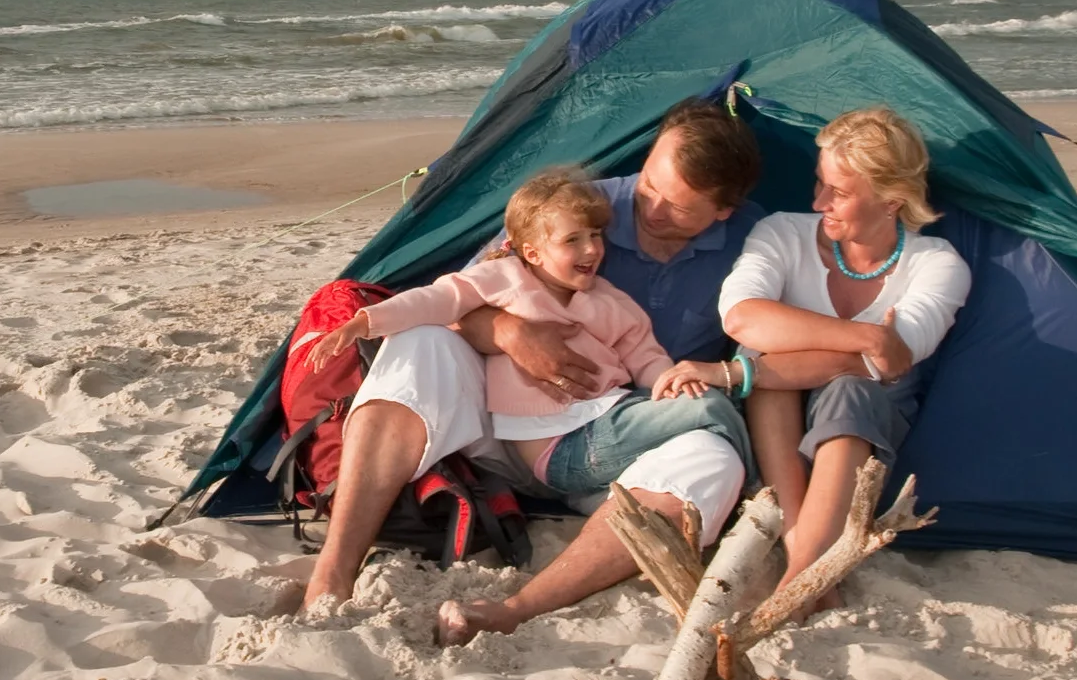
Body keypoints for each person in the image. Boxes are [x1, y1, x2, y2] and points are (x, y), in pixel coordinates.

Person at [298, 99, 767, 641]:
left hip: (618, 442)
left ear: (724, 210)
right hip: (504, 425)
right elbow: (457, 298)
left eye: (678, 207)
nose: (652, 210)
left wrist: (683, 379)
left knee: (713, 458)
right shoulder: (574, 208)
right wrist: (509, 332)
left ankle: (520, 607)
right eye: (649, 186)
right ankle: (334, 570)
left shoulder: (752, 240)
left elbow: (753, 348)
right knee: (421, 341)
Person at [304, 166, 745, 510]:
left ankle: (630, 505)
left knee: (697, 427)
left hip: (604, 425)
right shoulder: (504, 279)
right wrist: (364, 322)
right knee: (710, 407)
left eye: (595, 236)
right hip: (560, 447)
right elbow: (435, 300)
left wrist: (670, 381)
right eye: (573, 240)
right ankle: (760, 487)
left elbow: (645, 357)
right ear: (532, 252)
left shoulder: (610, 301)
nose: (591, 249)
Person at [718, 107, 970, 594]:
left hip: (865, 428)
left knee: (847, 387)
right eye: (820, 182)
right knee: (761, 353)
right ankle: (801, 546)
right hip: (777, 421)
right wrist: (867, 337)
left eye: (839, 192)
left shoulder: (936, 264)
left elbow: (892, 363)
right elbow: (742, 317)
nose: (819, 202)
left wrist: (773, 355)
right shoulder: (782, 232)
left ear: (892, 200)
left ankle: (799, 575)